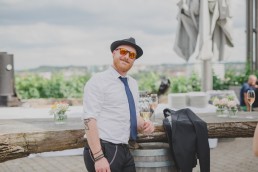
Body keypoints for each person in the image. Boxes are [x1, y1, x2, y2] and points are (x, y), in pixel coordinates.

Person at [82, 37, 155, 172]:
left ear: (134, 60)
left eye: (132, 55)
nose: (127, 56)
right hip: (103, 149)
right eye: (123, 51)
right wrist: (98, 157)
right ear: (114, 53)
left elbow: (133, 116)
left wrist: (144, 124)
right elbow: (89, 119)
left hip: (124, 148)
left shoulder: (132, 83)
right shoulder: (98, 81)